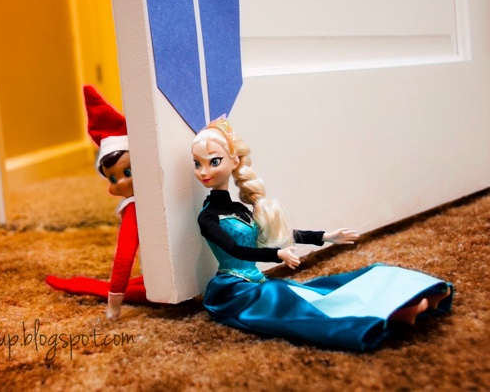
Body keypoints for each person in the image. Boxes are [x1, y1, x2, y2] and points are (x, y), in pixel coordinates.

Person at [192, 117, 453, 350]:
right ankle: (378, 319)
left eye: (213, 162)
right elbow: (234, 250)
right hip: (230, 291)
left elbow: (282, 233)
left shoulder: (241, 209)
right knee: (281, 298)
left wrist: (325, 237)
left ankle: (394, 301)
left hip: (254, 282)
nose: (204, 172)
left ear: (235, 161)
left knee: (310, 291)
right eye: (197, 164)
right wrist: (277, 255)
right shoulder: (208, 217)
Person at [46, 85, 149, 320]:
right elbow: (125, 254)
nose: (120, 183)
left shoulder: (137, 208)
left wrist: (114, 303)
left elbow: (125, 255)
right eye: (112, 178)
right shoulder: (137, 205)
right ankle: (74, 284)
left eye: (127, 172)